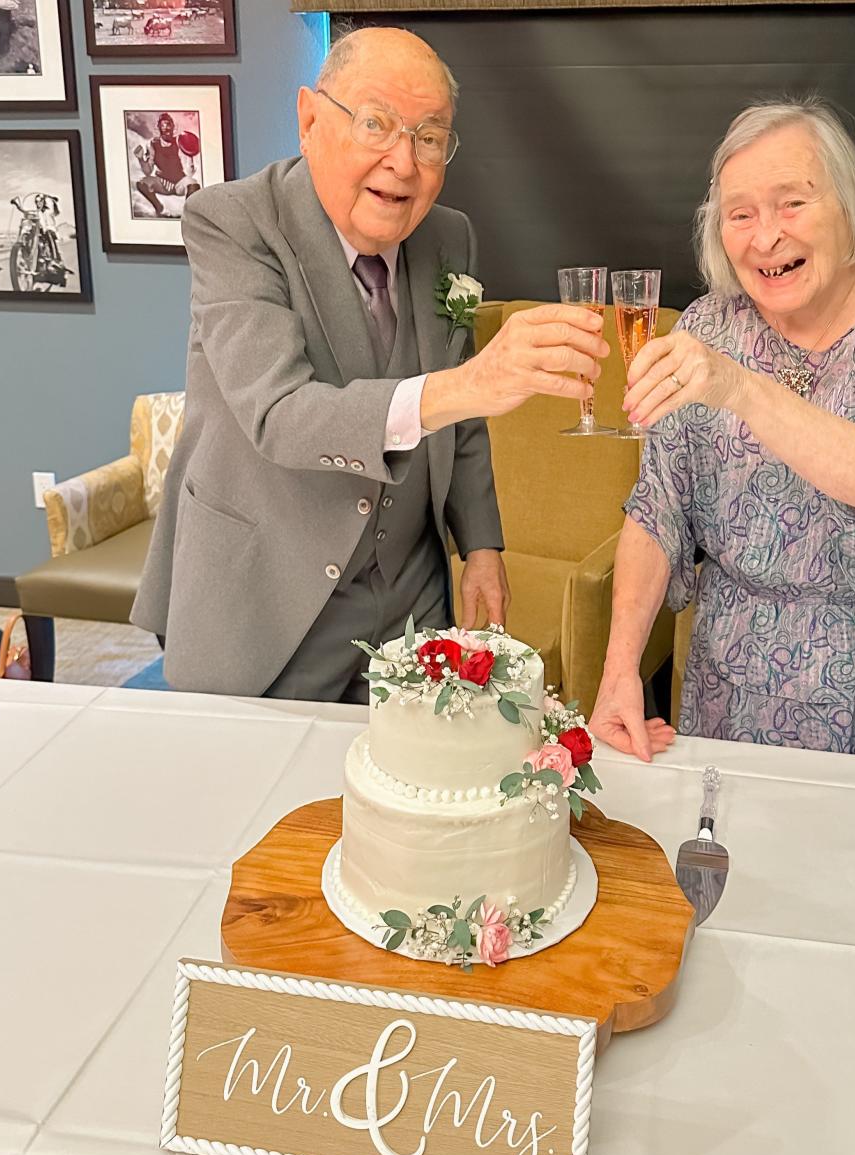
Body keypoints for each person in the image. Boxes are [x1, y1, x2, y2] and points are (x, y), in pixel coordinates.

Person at [131, 27, 607, 700]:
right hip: (272, 596)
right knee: (265, 798)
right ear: (309, 119)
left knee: (411, 788)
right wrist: (470, 382)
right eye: (377, 124)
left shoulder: (448, 237)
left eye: (430, 137)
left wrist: (481, 548)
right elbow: (280, 414)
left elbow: (461, 419)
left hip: (413, 598)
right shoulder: (234, 224)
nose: (404, 163)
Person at [589, 98, 855, 764]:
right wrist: (619, 668)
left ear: (848, 205)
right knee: (732, 860)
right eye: (740, 214)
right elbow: (658, 509)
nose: (765, 237)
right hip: (732, 686)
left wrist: (740, 388)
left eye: (792, 204)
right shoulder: (707, 330)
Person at [135, 112, 200, 217]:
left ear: (173, 127)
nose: (166, 128)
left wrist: (190, 155)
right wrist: (141, 159)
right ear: (159, 128)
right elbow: (148, 172)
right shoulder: (153, 144)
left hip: (179, 182)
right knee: (141, 183)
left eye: (168, 125)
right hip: (161, 183)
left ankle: (189, 214)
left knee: (193, 184)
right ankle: (159, 208)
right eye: (163, 125)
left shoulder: (179, 141)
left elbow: (189, 174)